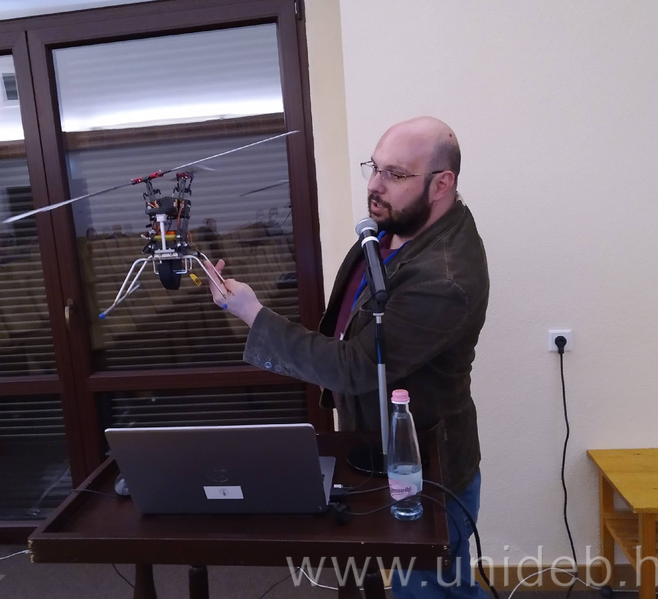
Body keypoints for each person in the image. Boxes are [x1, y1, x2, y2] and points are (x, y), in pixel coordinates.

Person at [205, 117, 489, 599]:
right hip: (376, 448)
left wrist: (253, 314)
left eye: (395, 174)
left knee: (429, 593)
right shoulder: (397, 226)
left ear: (442, 184)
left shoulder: (445, 278)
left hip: (424, 469)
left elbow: (356, 365)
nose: (375, 185)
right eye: (374, 168)